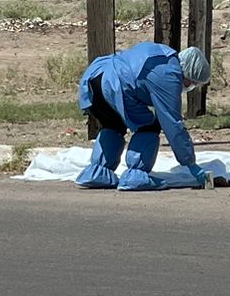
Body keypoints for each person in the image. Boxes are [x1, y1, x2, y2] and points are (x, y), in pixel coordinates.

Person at [76, 43, 211, 190]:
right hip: (115, 86)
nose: (190, 86)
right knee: (149, 127)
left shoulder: (162, 55)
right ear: (188, 73)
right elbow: (173, 123)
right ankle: (136, 175)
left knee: (114, 125)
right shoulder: (169, 74)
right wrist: (190, 163)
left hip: (95, 78)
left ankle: (97, 172)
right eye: (193, 82)